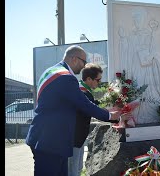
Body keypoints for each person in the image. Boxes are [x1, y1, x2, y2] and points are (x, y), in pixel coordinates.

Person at [26, 45, 123, 176]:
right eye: (84, 61)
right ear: (74, 59)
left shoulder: (51, 71)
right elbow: (84, 104)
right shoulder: (65, 77)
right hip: (51, 141)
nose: (84, 66)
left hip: (43, 137)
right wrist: (110, 115)